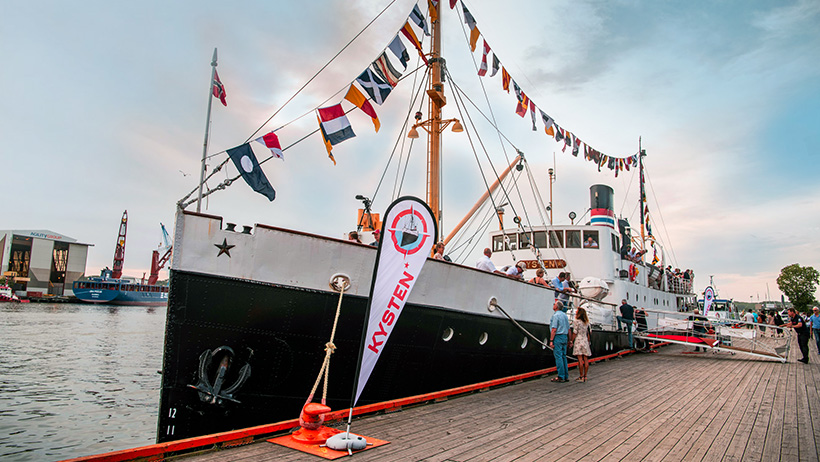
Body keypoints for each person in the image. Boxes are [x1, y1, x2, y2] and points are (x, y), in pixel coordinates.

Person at [549, 300, 570, 383]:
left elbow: (554, 329)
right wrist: (570, 340)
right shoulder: (565, 316)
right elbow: (569, 329)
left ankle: (561, 376)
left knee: (558, 357)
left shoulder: (555, 316)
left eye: (554, 304)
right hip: (565, 336)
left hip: (558, 336)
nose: (553, 305)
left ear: (556, 307)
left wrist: (551, 340)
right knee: (564, 356)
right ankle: (566, 375)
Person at [570, 306, 591, 382]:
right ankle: (585, 376)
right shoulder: (587, 322)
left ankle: (581, 376)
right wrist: (588, 341)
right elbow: (589, 333)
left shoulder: (576, 321)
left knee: (580, 359)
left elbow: (575, 332)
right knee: (585, 359)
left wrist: (571, 340)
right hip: (585, 340)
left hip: (579, 340)